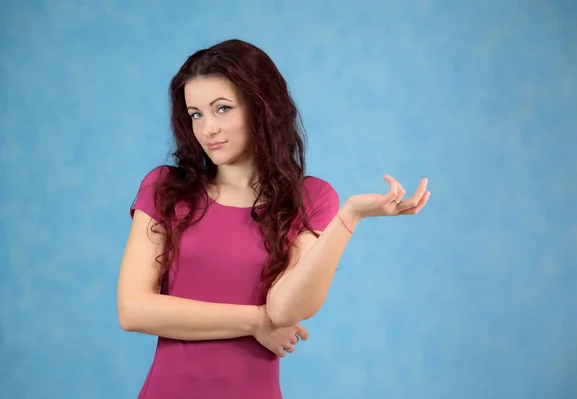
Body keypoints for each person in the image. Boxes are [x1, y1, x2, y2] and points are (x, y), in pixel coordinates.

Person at [117, 38, 430, 399]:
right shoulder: (165, 188)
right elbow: (133, 310)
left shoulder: (310, 198)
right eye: (196, 114)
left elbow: (286, 309)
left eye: (222, 109)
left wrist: (351, 216)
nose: (207, 129)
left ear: (260, 107)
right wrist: (255, 322)